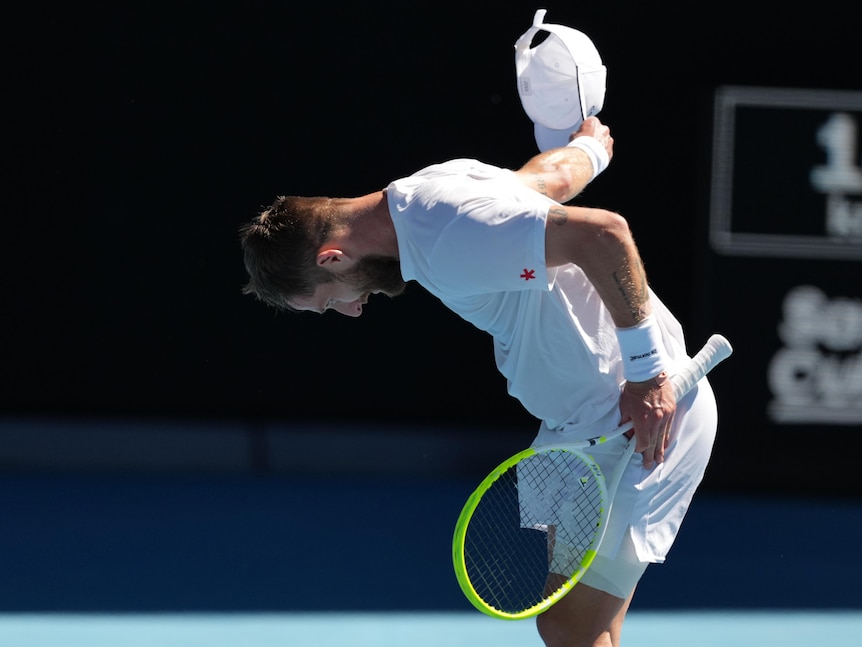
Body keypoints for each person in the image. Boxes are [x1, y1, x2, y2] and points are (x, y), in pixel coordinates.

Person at [239, 116, 718, 647]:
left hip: (641, 421)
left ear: (332, 257)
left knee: (571, 628)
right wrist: (589, 149)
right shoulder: (425, 192)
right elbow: (545, 182)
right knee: (576, 628)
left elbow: (604, 233)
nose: (352, 311)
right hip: (588, 428)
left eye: (332, 300)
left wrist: (648, 375)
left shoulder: (448, 237)